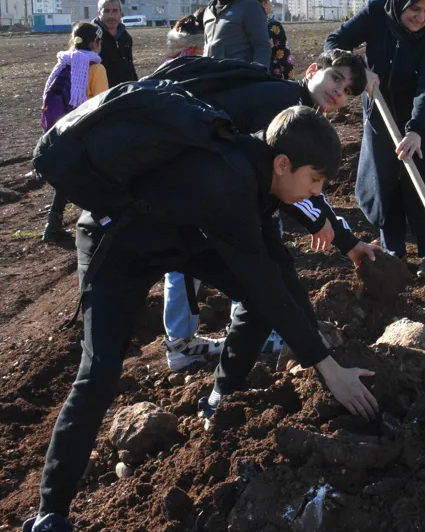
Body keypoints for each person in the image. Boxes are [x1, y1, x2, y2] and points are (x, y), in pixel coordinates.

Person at [22, 106, 379, 532]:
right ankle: (47, 527)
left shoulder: (263, 178)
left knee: (262, 293)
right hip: (119, 242)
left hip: (177, 237)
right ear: (282, 164)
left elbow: (280, 281)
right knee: (100, 370)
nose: (315, 196)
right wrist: (329, 370)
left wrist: (323, 358)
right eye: (314, 181)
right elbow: (262, 278)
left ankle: (220, 397)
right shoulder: (228, 180)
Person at [152, 50, 375, 371]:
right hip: (185, 173)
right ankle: (192, 343)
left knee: (241, 250)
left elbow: (302, 185)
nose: (339, 91)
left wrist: (343, 238)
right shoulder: (284, 106)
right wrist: (329, 229)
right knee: (192, 255)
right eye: (336, 77)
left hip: (211, 177)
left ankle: (233, 332)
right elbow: (287, 183)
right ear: (312, 70)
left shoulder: (299, 108)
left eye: (348, 91)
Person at [325, 0, 425, 279]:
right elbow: (334, 41)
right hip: (382, 108)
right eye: (415, 10)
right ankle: (393, 249)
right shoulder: (375, 13)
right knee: (385, 178)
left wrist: (416, 130)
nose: (421, 17)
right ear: (400, 4)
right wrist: (359, 70)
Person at [39, 23, 109, 242]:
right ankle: (105, 223)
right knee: (96, 177)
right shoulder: (95, 68)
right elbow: (101, 101)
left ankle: (53, 224)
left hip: (60, 128)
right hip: (84, 129)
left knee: (67, 176)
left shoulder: (62, 64)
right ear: (93, 43)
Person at [248, 0, 294, 79]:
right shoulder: (273, 26)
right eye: (269, 1)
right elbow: (283, 55)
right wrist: (290, 80)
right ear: (263, 4)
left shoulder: (239, 26)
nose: (271, 5)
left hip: (246, 77)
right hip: (271, 78)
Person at [92, 0, 137, 85]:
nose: (111, 16)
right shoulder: (91, 36)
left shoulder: (125, 37)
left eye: (115, 11)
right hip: (100, 94)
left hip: (123, 92)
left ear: (121, 13)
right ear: (99, 13)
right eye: (106, 11)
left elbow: (129, 66)